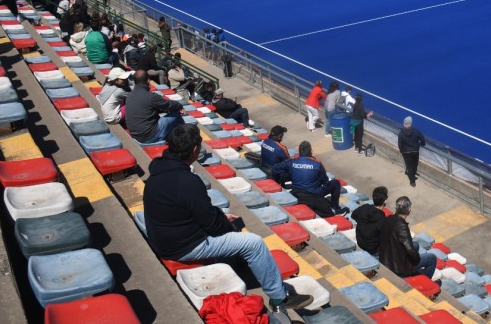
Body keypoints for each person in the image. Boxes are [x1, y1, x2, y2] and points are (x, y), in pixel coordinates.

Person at [143, 124, 311, 314]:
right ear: (194, 149)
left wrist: (221, 216)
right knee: (254, 243)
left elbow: (189, 208)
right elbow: (213, 226)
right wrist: (226, 223)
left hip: (165, 237)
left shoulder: (158, 170)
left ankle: (234, 261)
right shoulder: (188, 181)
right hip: (182, 246)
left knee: (225, 217)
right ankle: (280, 297)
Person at [273, 140, 347, 217]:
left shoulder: (292, 162)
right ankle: (335, 207)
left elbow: (275, 168)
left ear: (299, 152)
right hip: (315, 193)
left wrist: (283, 179)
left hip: (297, 191)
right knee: (336, 183)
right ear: (310, 152)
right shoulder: (317, 164)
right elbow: (325, 180)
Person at [378, 196, 437, 279]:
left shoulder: (388, 219)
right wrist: (416, 259)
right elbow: (410, 250)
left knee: (415, 244)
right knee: (431, 258)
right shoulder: (402, 227)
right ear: (409, 209)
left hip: (385, 260)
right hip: (398, 268)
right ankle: (424, 282)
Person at [126, 69, 185, 144]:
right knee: (176, 115)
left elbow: (149, 108)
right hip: (149, 136)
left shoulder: (129, 95)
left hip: (136, 135)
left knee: (172, 118)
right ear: (148, 81)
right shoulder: (151, 97)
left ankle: (176, 139)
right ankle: (187, 143)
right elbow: (168, 104)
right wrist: (178, 105)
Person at [351, 186, 389, 256]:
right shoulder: (383, 219)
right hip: (373, 249)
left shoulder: (364, 207)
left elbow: (353, 215)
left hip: (360, 242)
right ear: (385, 201)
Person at [398, 117, 426, 187]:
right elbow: (422, 139)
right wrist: (422, 144)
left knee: (409, 166)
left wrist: (402, 151)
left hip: (406, 152)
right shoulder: (415, 131)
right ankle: (413, 174)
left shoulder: (401, 133)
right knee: (415, 163)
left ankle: (412, 181)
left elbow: (400, 144)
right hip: (415, 151)